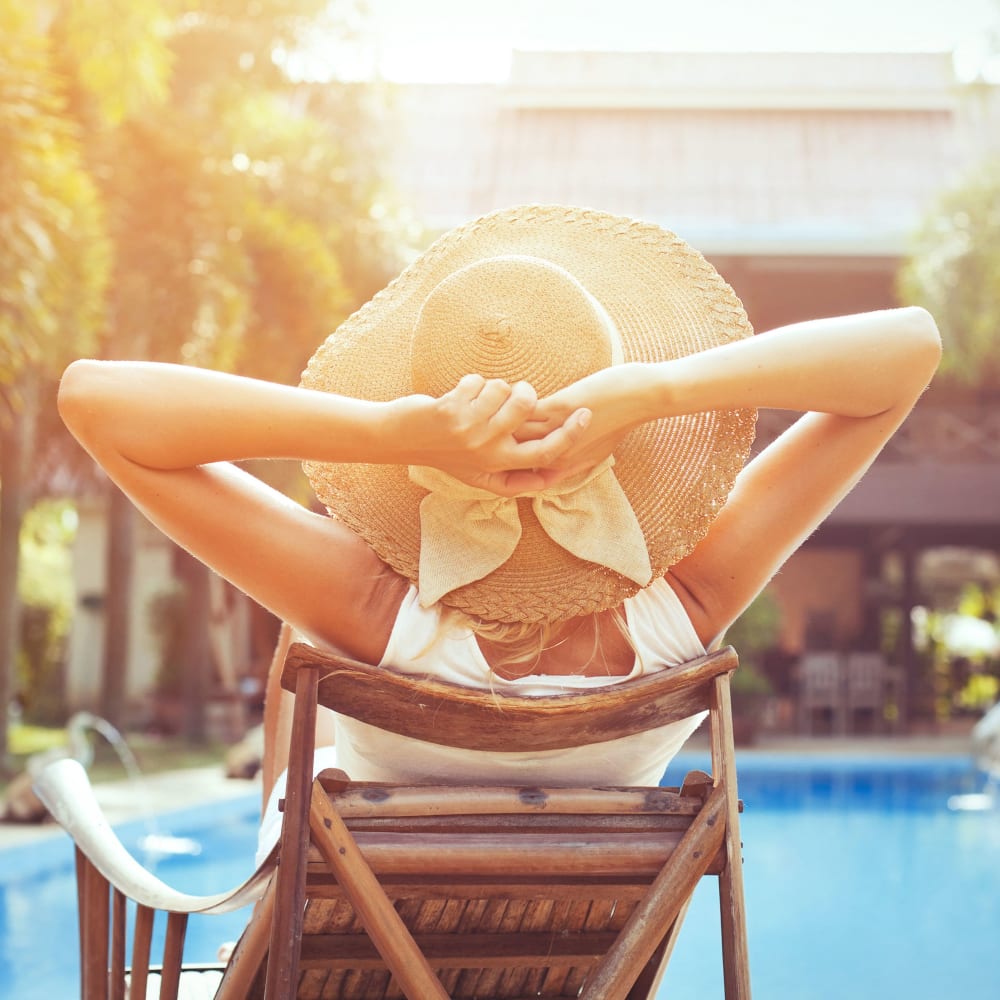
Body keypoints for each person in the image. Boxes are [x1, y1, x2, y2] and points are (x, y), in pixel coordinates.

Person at [58, 204, 941, 863]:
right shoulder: (688, 605)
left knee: (303, 673)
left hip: (351, 954)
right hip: (586, 963)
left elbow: (95, 401)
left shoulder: (371, 611)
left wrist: (389, 432)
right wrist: (652, 392)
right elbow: (910, 346)